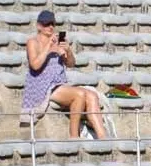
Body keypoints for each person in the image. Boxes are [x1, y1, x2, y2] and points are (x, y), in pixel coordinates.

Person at [21, 10, 107, 139]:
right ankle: (74, 136)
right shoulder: (33, 42)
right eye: (46, 24)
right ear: (39, 26)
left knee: (92, 95)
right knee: (80, 94)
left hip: (59, 83)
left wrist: (68, 50)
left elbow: (71, 64)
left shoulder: (57, 41)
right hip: (42, 86)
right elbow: (35, 65)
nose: (50, 27)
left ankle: (104, 138)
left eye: (52, 24)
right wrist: (49, 48)